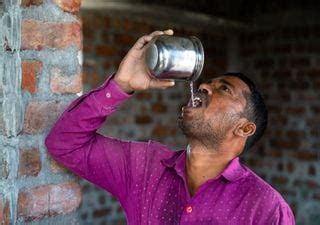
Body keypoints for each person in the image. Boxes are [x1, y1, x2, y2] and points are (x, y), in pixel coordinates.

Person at [45, 30, 295, 224]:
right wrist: (121, 85)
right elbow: (65, 144)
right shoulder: (143, 167)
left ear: (244, 128)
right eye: (207, 83)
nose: (204, 87)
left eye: (224, 89)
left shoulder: (266, 208)